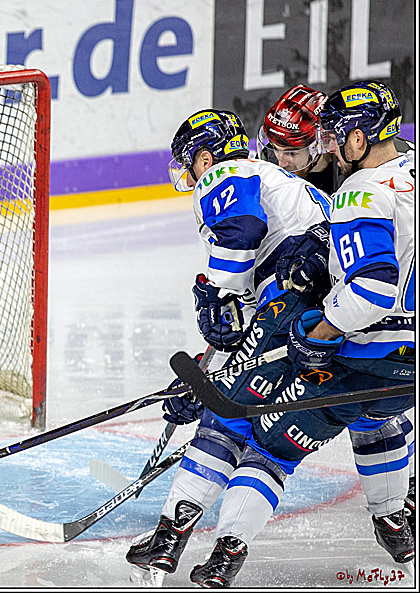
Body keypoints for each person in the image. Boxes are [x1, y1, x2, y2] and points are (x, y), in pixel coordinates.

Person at [127, 109, 332, 586]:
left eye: (190, 163)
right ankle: (225, 557)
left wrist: (216, 300)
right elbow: (245, 320)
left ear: (204, 157)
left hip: (293, 304)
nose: (190, 174)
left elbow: (241, 232)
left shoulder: (226, 173)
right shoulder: (280, 182)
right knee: (272, 443)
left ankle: (168, 540)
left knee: (224, 422)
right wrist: (207, 370)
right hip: (330, 322)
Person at [260, 84, 415, 542]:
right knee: (382, 408)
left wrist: (324, 328)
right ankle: (395, 510)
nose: (326, 146)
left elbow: (371, 287)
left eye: (331, 137)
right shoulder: (403, 167)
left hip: (375, 330)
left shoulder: (357, 186)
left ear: (356, 138)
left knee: (363, 399)